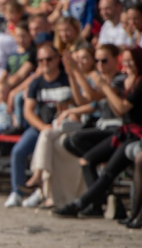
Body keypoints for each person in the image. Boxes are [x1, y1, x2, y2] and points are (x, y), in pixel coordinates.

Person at [53, 47, 142, 218]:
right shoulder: (128, 81)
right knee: (85, 156)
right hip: (125, 133)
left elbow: (120, 109)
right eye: (126, 61)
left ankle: (85, 204)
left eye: (104, 60)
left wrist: (101, 85)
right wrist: (73, 74)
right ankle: (100, 202)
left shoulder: (122, 80)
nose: (99, 64)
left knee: (105, 170)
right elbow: (90, 100)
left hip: (129, 134)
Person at [5, 44, 72, 207]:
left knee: (50, 147)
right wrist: (42, 127)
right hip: (41, 127)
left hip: (63, 127)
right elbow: (28, 112)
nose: (45, 63)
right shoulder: (36, 83)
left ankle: (41, 191)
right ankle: (18, 191)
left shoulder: (67, 80)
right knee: (18, 151)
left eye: (49, 59)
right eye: (41, 60)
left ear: (57, 60)